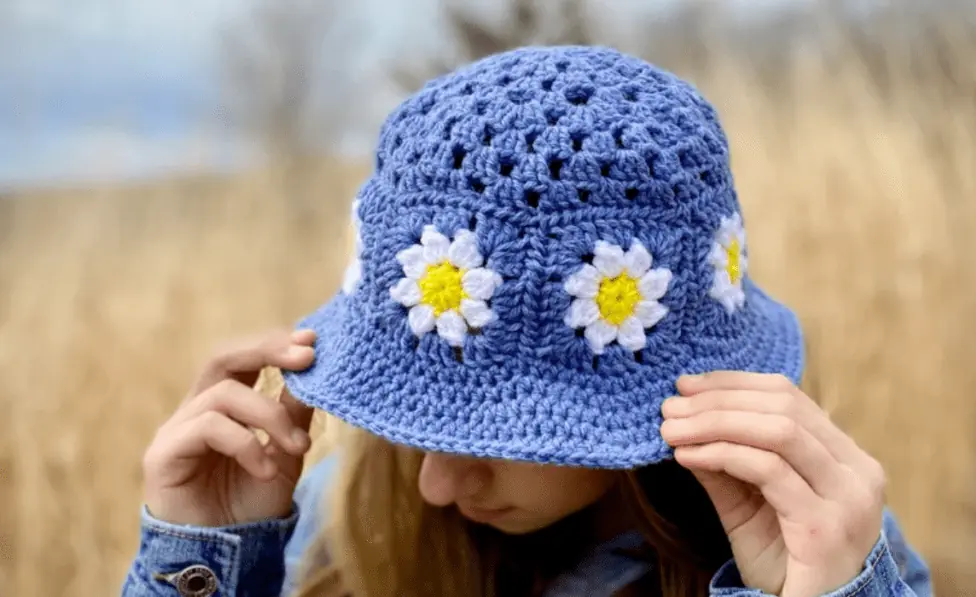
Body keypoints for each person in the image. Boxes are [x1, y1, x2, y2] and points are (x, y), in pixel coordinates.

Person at [120, 45, 933, 597]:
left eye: (486, 432)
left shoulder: (818, 543)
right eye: (417, 416)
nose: (435, 482)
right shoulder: (342, 513)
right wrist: (206, 561)